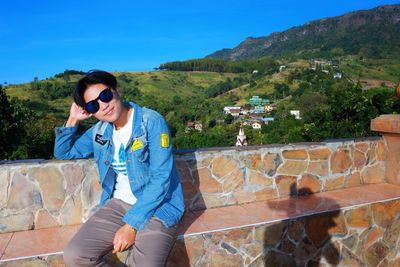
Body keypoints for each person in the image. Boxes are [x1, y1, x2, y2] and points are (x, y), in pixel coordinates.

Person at [54, 70, 185, 266]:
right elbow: (63, 152)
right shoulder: (99, 131)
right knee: (75, 255)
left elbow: (161, 177)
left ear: (117, 90)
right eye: (93, 105)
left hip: (158, 207)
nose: (103, 106)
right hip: (119, 204)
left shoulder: (151, 122)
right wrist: (73, 119)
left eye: (105, 95)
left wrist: (131, 225)